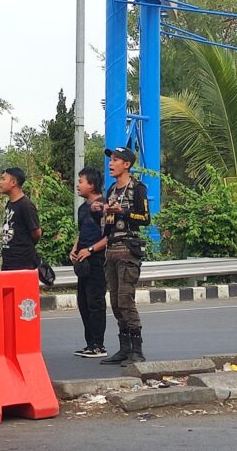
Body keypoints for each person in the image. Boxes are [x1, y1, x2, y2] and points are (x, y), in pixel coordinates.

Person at [96, 147, 150, 366]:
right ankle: (124, 348)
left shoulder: (138, 188)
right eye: (110, 160)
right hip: (111, 250)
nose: (111, 163)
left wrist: (123, 212)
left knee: (126, 300)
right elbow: (108, 223)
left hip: (128, 250)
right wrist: (102, 210)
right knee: (116, 302)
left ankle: (137, 351)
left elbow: (145, 218)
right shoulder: (111, 189)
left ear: (126, 164)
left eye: (116, 160)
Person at [69, 167, 108, 359]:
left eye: (81, 181)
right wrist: (75, 248)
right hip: (82, 260)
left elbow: (109, 237)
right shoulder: (82, 208)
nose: (78, 185)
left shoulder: (104, 206)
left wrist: (91, 249)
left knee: (95, 302)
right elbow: (82, 231)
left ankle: (99, 345)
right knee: (83, 302)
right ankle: (89, 344)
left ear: (91, 185)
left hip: (97, 260)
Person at [0, 167, 42, 271]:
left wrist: (23, 246)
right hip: (8, 260)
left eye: (3, 179)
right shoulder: (10, 203)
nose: (0, 182)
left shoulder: (26, 205)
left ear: (13, 182)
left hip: (22, 262)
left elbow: (36, 233)